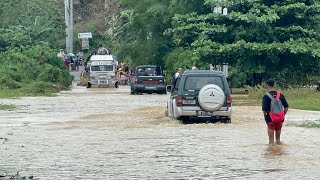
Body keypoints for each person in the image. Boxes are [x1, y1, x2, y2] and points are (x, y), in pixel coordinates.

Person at [262, 79, 289, 145]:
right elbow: (286, 107)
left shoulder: (266, 96)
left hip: (270, 119)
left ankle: (271, 153)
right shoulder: (280, 95)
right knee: (278, 141)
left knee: (271, 142)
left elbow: (264, 110)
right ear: (275, 85)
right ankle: (278, 153)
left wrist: (265, 117)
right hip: (280, 119)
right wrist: (283, 115)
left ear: (267, 86)